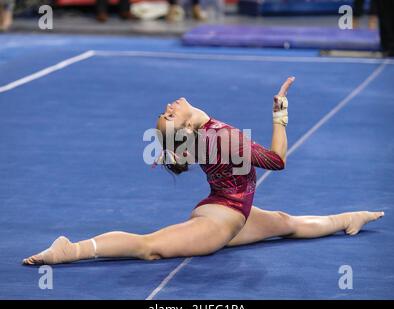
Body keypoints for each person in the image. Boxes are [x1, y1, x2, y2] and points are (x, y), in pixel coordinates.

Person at [23, 77, 384, 265]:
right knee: (151, 248)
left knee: (286, 223)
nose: (168, 107)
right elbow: (277, 160)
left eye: (165, 112)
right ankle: (73, 250)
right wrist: (280, 114)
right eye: (168, 115)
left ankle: (349, 217)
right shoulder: (222, 137)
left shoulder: (205, 134)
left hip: (234, 211)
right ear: (184, 130)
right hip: (221, 219)